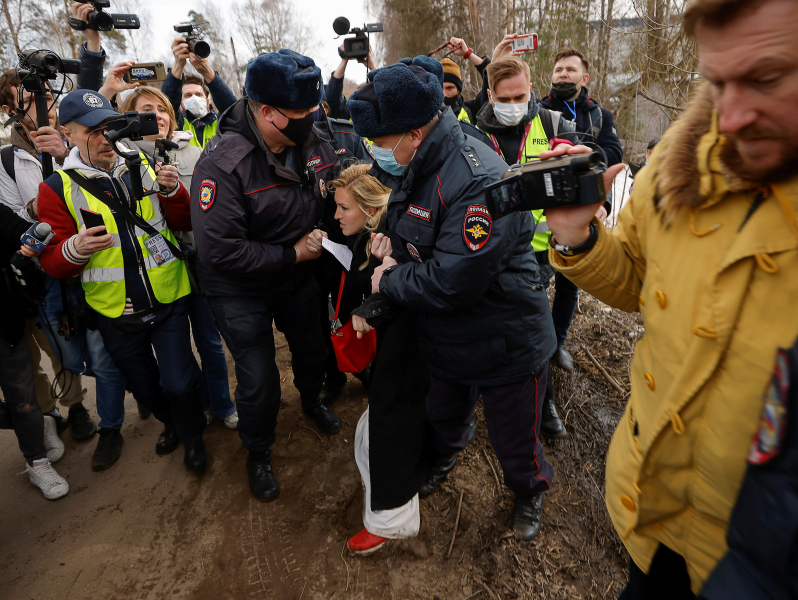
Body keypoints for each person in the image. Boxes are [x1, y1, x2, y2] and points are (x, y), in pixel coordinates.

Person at [544, 0, 798, 595]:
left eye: (765, 79)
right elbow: (635, 279)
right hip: (651, 519)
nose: (729, 118)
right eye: (716, 82)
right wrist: (577, 234)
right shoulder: (682, 162)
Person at [348, 60, 558, 542]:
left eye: (381, 144)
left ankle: (529, 488)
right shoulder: (421, 165)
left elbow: (451, 280)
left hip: (505, 340)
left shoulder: (474, 177)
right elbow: (418, 233)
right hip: (448, 337)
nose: (377, 153)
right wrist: (392, 249)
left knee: (514, 437)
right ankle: (444, 455)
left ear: (413, 134)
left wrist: (391, 279)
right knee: (444, 415)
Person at [191, 49, 342, 502]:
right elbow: (221, 252)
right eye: (301, 112)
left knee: (312, 349)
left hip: (297, 274)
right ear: (268, 112)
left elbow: (330, 188)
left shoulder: (314, 137)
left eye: (313, 109)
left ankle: (312, 400)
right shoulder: (221, 164)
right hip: (239, 287)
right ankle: (258, 451)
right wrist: (292, 254)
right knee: (258, 381)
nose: (312, 118)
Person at [37, 89, 208, 476]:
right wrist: (75, 248)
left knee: (180, 382)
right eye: (91, 130)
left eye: (110, 127)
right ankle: (172, 424)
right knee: (144, 388)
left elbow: (180, 221)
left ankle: (194, 437)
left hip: (168, 298)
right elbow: (52, 261)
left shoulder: (143, 162)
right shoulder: (56, 187)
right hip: (114, 310)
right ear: (68, 133)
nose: (104, 138)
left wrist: (174, 191)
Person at [0, 68, 129, 465]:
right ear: (9, 108)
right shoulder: (7, 158)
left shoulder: (72, 144)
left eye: (45, 94)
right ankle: (59, 410)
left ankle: (98, 419)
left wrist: (63, 156)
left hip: (91, 264)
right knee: (62, 351)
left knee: (101, 353)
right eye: (28, 95)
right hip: (42, 272)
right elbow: (18, 218)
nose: (43, 102)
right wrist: (47, 217)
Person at [307, 163, 431, 554]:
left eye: (344, 208)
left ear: (370, 208)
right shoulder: (363, 241)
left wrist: (374, 303)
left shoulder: (387, 244)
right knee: (371, 431)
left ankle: (392, 522)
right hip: (388, 358)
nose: (336, 215)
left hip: (406, 356)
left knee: (385, 433)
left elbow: (408, 287)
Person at [117, 85, 238, 430]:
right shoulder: (121, 159)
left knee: (209, 342)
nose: (157, 115)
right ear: (130, 118)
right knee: (173, 353)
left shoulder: (196, 153)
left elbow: (208, 209)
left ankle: (222, 404)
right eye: (145, 109)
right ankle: (192, 407)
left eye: (163, 108)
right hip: (154, 276)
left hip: (195, 264)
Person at [474, 55, 578, 438]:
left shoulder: (551, 123)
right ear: (490, 95)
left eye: (521, 96)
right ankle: (478, 395)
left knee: (536, 330)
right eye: (506, 98)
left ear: (532, 89)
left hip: (536, 253)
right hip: (485, 246)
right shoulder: (470, 130)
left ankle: (544, 399)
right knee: (484, 321)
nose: (515, 105)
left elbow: (576, 150)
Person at [537, 47, 623, 373]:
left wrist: (603, 202)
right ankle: (539, 340)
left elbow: (613, 155)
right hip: (543, 211)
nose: (563, 74)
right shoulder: (540, 110)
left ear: (584, 78)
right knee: (538, 277)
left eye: (570, 70)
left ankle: (557, 341)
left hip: (583, 211)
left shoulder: (599, 115)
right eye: (558, 69)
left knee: (569, 282)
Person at [0, 202, 69, 500]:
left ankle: (37, 463)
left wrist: (33, 242)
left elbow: (29, 234)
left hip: (5, 327)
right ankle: (41, 424)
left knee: (24, 401)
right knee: (22, 409)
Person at [162, 36, 238, 148]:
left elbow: (234, 110)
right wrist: (178, 65)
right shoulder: (178, 125)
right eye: (188, 95)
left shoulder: (220, 122)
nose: (194, 99)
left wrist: (207, 72)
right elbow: (165, 106)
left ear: (207, 100)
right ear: (181, 103)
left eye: (198, 94)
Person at [441, 36, 492, 124]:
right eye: (440, 87)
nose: (444, 94)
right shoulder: (425, 114)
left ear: (458, 90)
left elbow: (493, 80)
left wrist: (468, 54)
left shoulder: (471, 110)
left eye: (449, 88)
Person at [325, 44, 377, 120]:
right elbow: (332, 97)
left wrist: (373, 67)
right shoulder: (350, 114)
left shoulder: (379, 112)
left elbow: (387, 92)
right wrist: (344, 59)